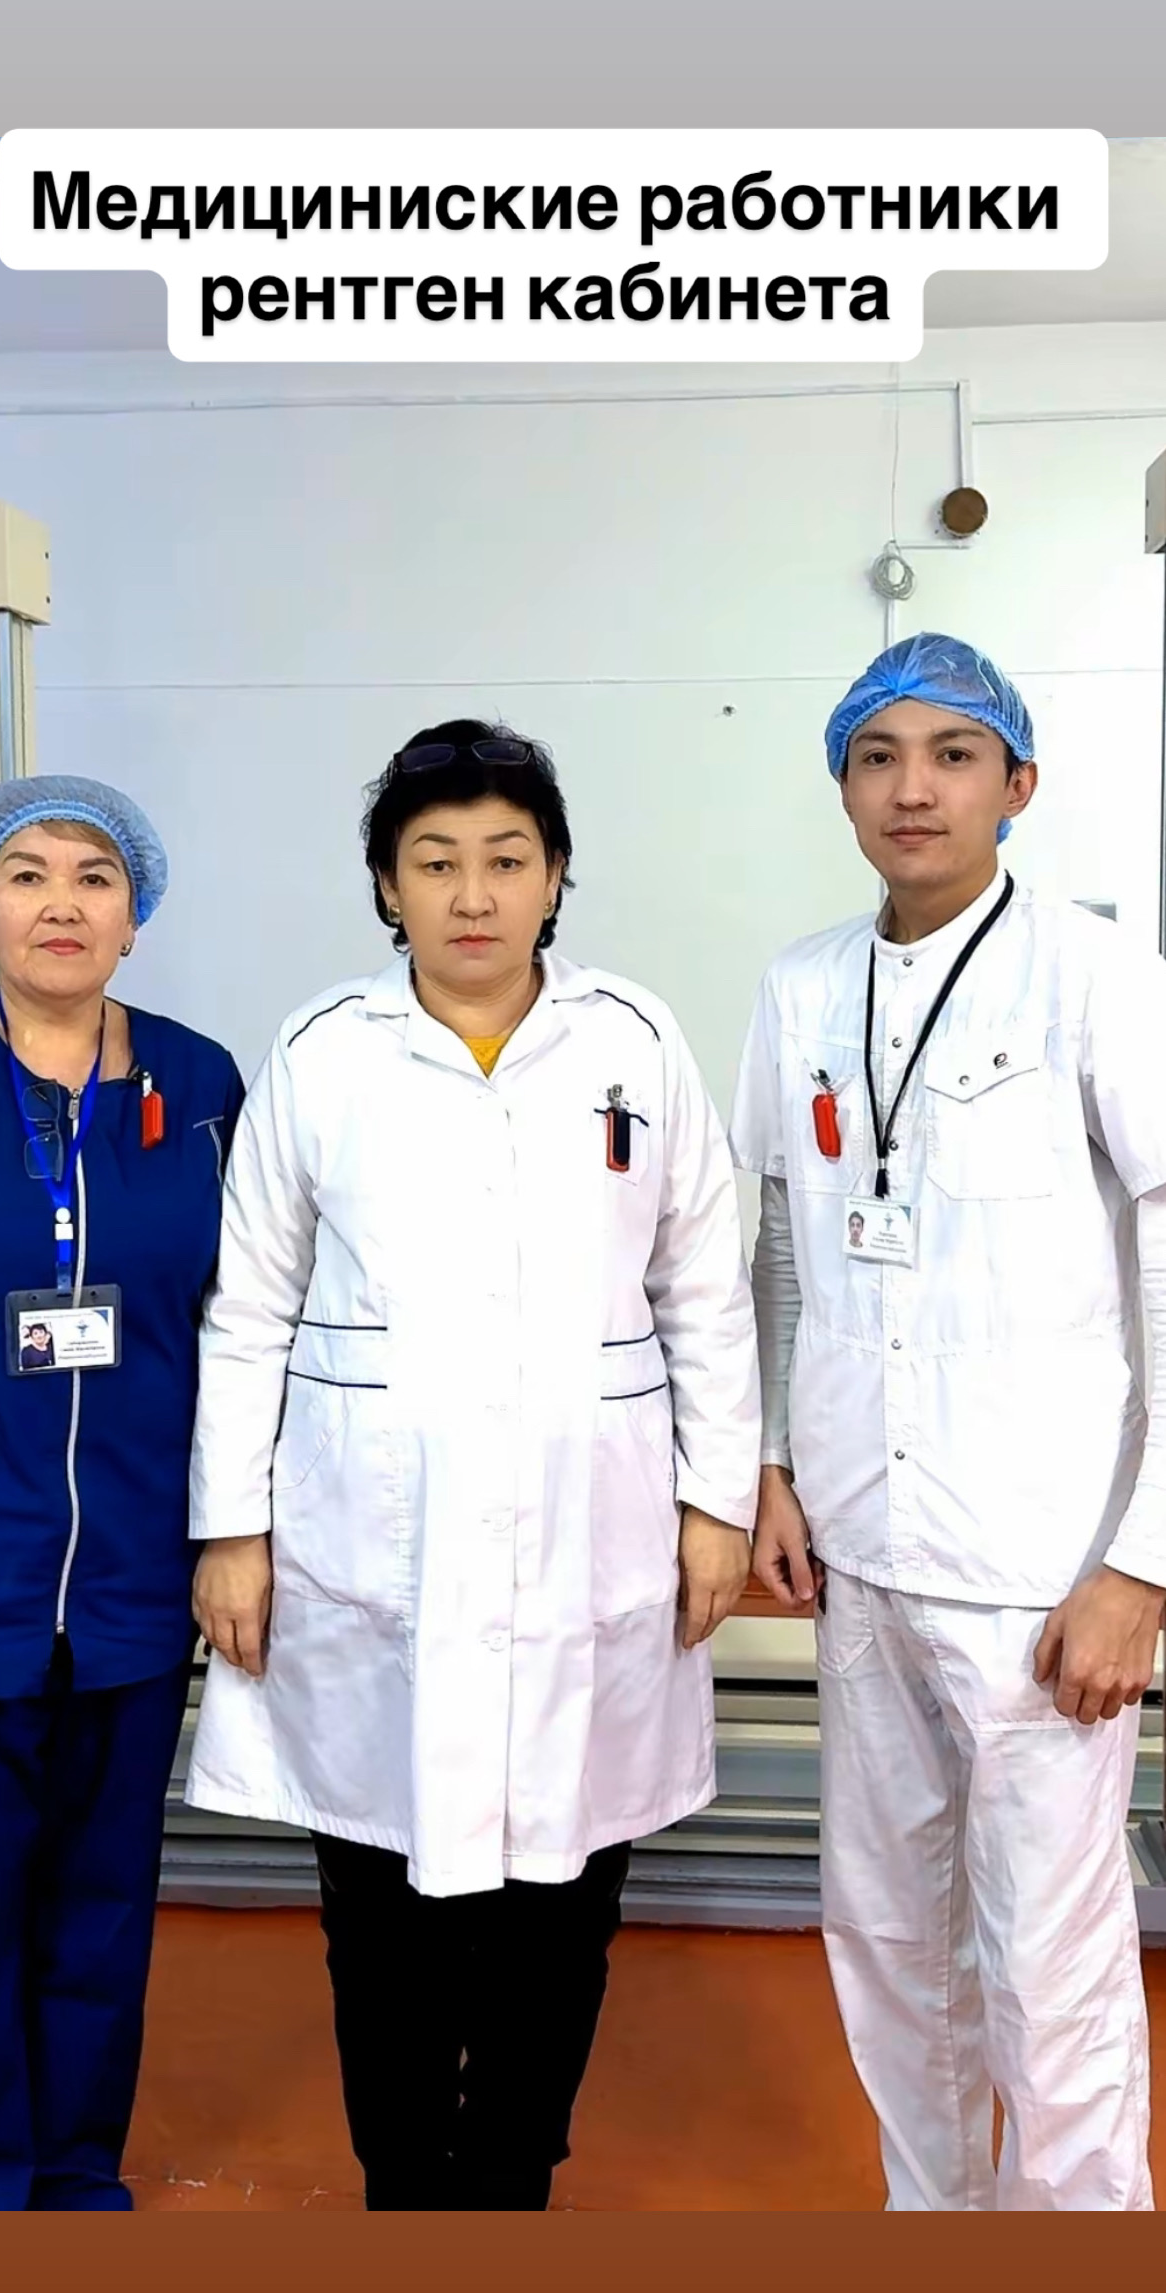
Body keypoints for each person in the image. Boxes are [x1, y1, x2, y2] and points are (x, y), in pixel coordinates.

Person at [186, 720, 761, 2211]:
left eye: (507, 858)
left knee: (563, 1902)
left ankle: (511, 2179)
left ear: (557, 875)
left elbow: (706, 1286)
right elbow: (248, 1305)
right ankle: (403, 2184)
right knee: (381, 1905)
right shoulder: (323, 1050)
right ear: (387, 886)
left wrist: (715, 1503)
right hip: (376, 1539)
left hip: (590, 1531)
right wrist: (231, 1530)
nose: (473, 894)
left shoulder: (634, 1041)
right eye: (434, 861)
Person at [730, 633, 1166, 2212]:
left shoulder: (1096, 978)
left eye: (952, 754)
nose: (911, 788)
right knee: (888, 1936)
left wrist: (1142, 1562)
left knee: (1050, 1961)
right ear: (842, 786)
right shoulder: (800, 984)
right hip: (862, 1546)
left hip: (1042, 1566)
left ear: (1016, 784)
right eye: (877, 756)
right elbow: (780, 1243)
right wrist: (771, 1462)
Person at [0, 776, 244, 2210]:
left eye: (95, 877)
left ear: (135, 917)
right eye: (25, 876)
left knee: (97, 1903)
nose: (61, 904)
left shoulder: (199, 1085)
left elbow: (245, 1313)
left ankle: (70, 2169)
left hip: (135, 1568)